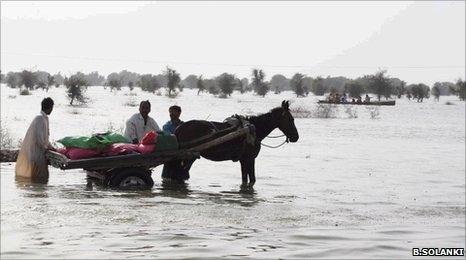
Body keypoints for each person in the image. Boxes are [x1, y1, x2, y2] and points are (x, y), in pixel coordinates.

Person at [15, 97, 56, 182]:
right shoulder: (39, 118)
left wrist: (51, 147)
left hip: (41, 152)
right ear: (50, 107)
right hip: (36, 153)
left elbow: (45, 138)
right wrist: (45, 148)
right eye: (52, 107)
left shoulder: (45, 118)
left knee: (41, 176)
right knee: (37, 177)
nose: (52, 110)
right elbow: (38, 138)